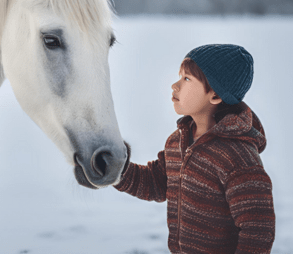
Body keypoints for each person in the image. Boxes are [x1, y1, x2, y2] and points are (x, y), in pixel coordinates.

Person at [114, 44, 275, 254]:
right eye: (179, 76)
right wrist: (117, 171)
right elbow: (157, 181)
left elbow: (258, 229)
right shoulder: (178, 141)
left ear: (216, 95)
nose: (175, 85)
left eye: (187, 79)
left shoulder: (237, 157)